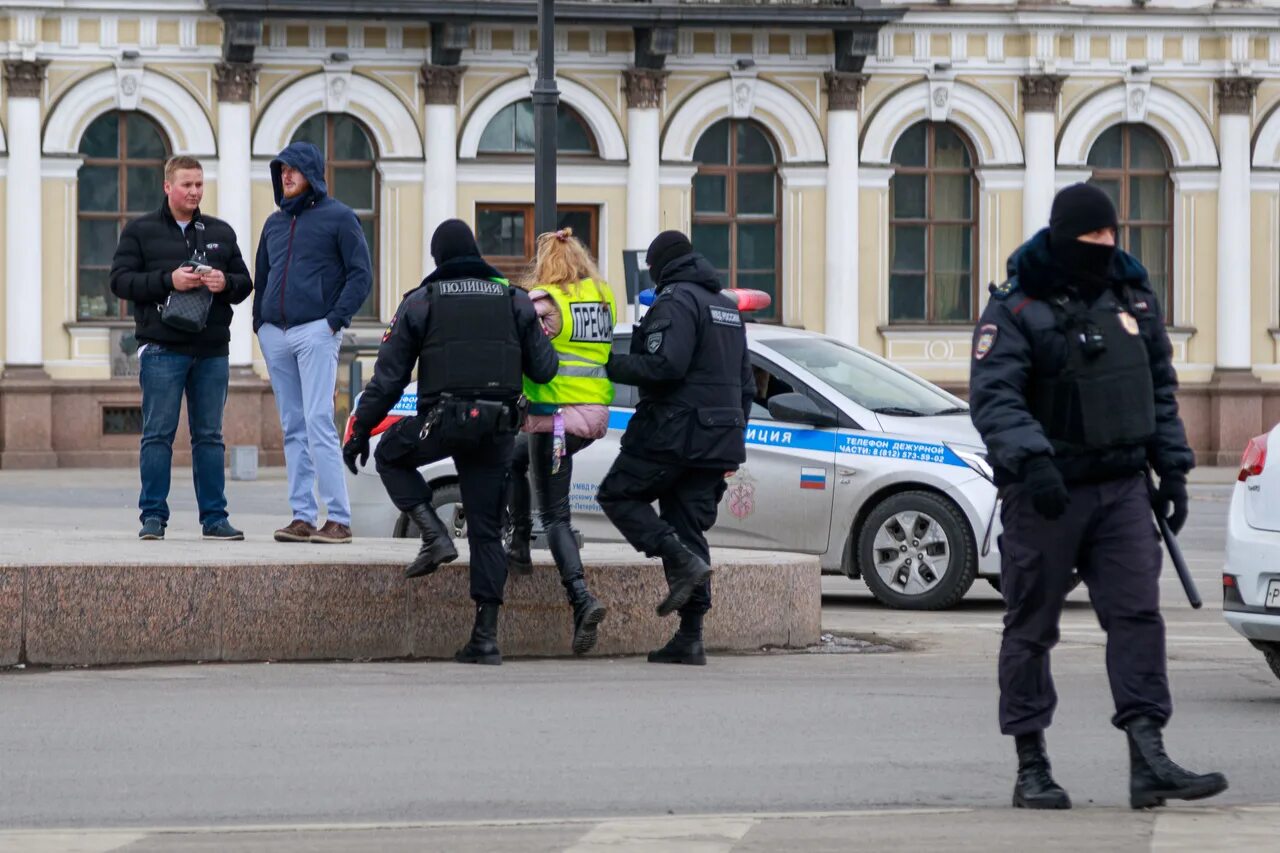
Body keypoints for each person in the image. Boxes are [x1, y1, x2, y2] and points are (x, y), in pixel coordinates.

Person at [969, 183, 1227, 810]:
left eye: (1111, 237)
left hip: (1122, 490)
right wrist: (1033, 463)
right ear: (1063, 237)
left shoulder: (1132, 295)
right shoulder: (1017, 305)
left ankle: (1149, 758)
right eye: (1092, 239)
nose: (1104, 248)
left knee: (1138, 617)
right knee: (1030, 630)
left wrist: (1174, 468)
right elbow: (995, 396)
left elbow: (1158, 387)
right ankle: (1031, 764)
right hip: (1047, 495)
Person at [343, 219, 557, 665]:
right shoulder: (515, 299)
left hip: (444, 421)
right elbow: (545, 369)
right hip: (499, 427)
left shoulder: (421, 301)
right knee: (485, 529)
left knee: (390, 454)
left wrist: (362, 429)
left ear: (438, 257)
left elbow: (387, 379)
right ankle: (485, 637)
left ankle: (434, 532)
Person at [595, 230, 754, 666]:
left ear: (661, 264)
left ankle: (677, 560)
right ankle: (690, 636)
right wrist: (731, 434)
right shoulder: (725, 307)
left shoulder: (676, 301)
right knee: (688, 525)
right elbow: (746, 385)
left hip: (673, 432)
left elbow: (665, 364)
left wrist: (609, 365)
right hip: (718, 437)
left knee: (618, 494)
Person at [109, 155, 253, 541]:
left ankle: (215, 518)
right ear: (168, 187)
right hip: (161, 347)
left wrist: (226, 282)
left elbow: (245, 282)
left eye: (199, 185)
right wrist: (168, 280)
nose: (194, 192)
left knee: (209, 436)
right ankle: (152, 517)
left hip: (211, 350)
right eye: (186, 185)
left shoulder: (220, 230)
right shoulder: (140, 231)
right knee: (158, 434)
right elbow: (120, 282)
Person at [254, 141, 372, 545]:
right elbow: (263, 276)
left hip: (316, 332)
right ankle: (302, 516)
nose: (286, 176)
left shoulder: (339, 217)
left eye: (295, 169)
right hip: (276, 334)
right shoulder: (273, 224)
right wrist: (260, 324)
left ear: (313, 174)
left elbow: (361, 275)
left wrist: (333, 322)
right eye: (282, 170)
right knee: (292, 426)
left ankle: (337, 518)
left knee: (318, 420)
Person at [507, 228, 615, 655]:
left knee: (554, 515)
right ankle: (517, 542)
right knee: (513, 459)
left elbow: (521, 346)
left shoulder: (545, 304)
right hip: (592, 418)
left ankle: (581, 598)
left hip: (554, 422)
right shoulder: (599, 299)